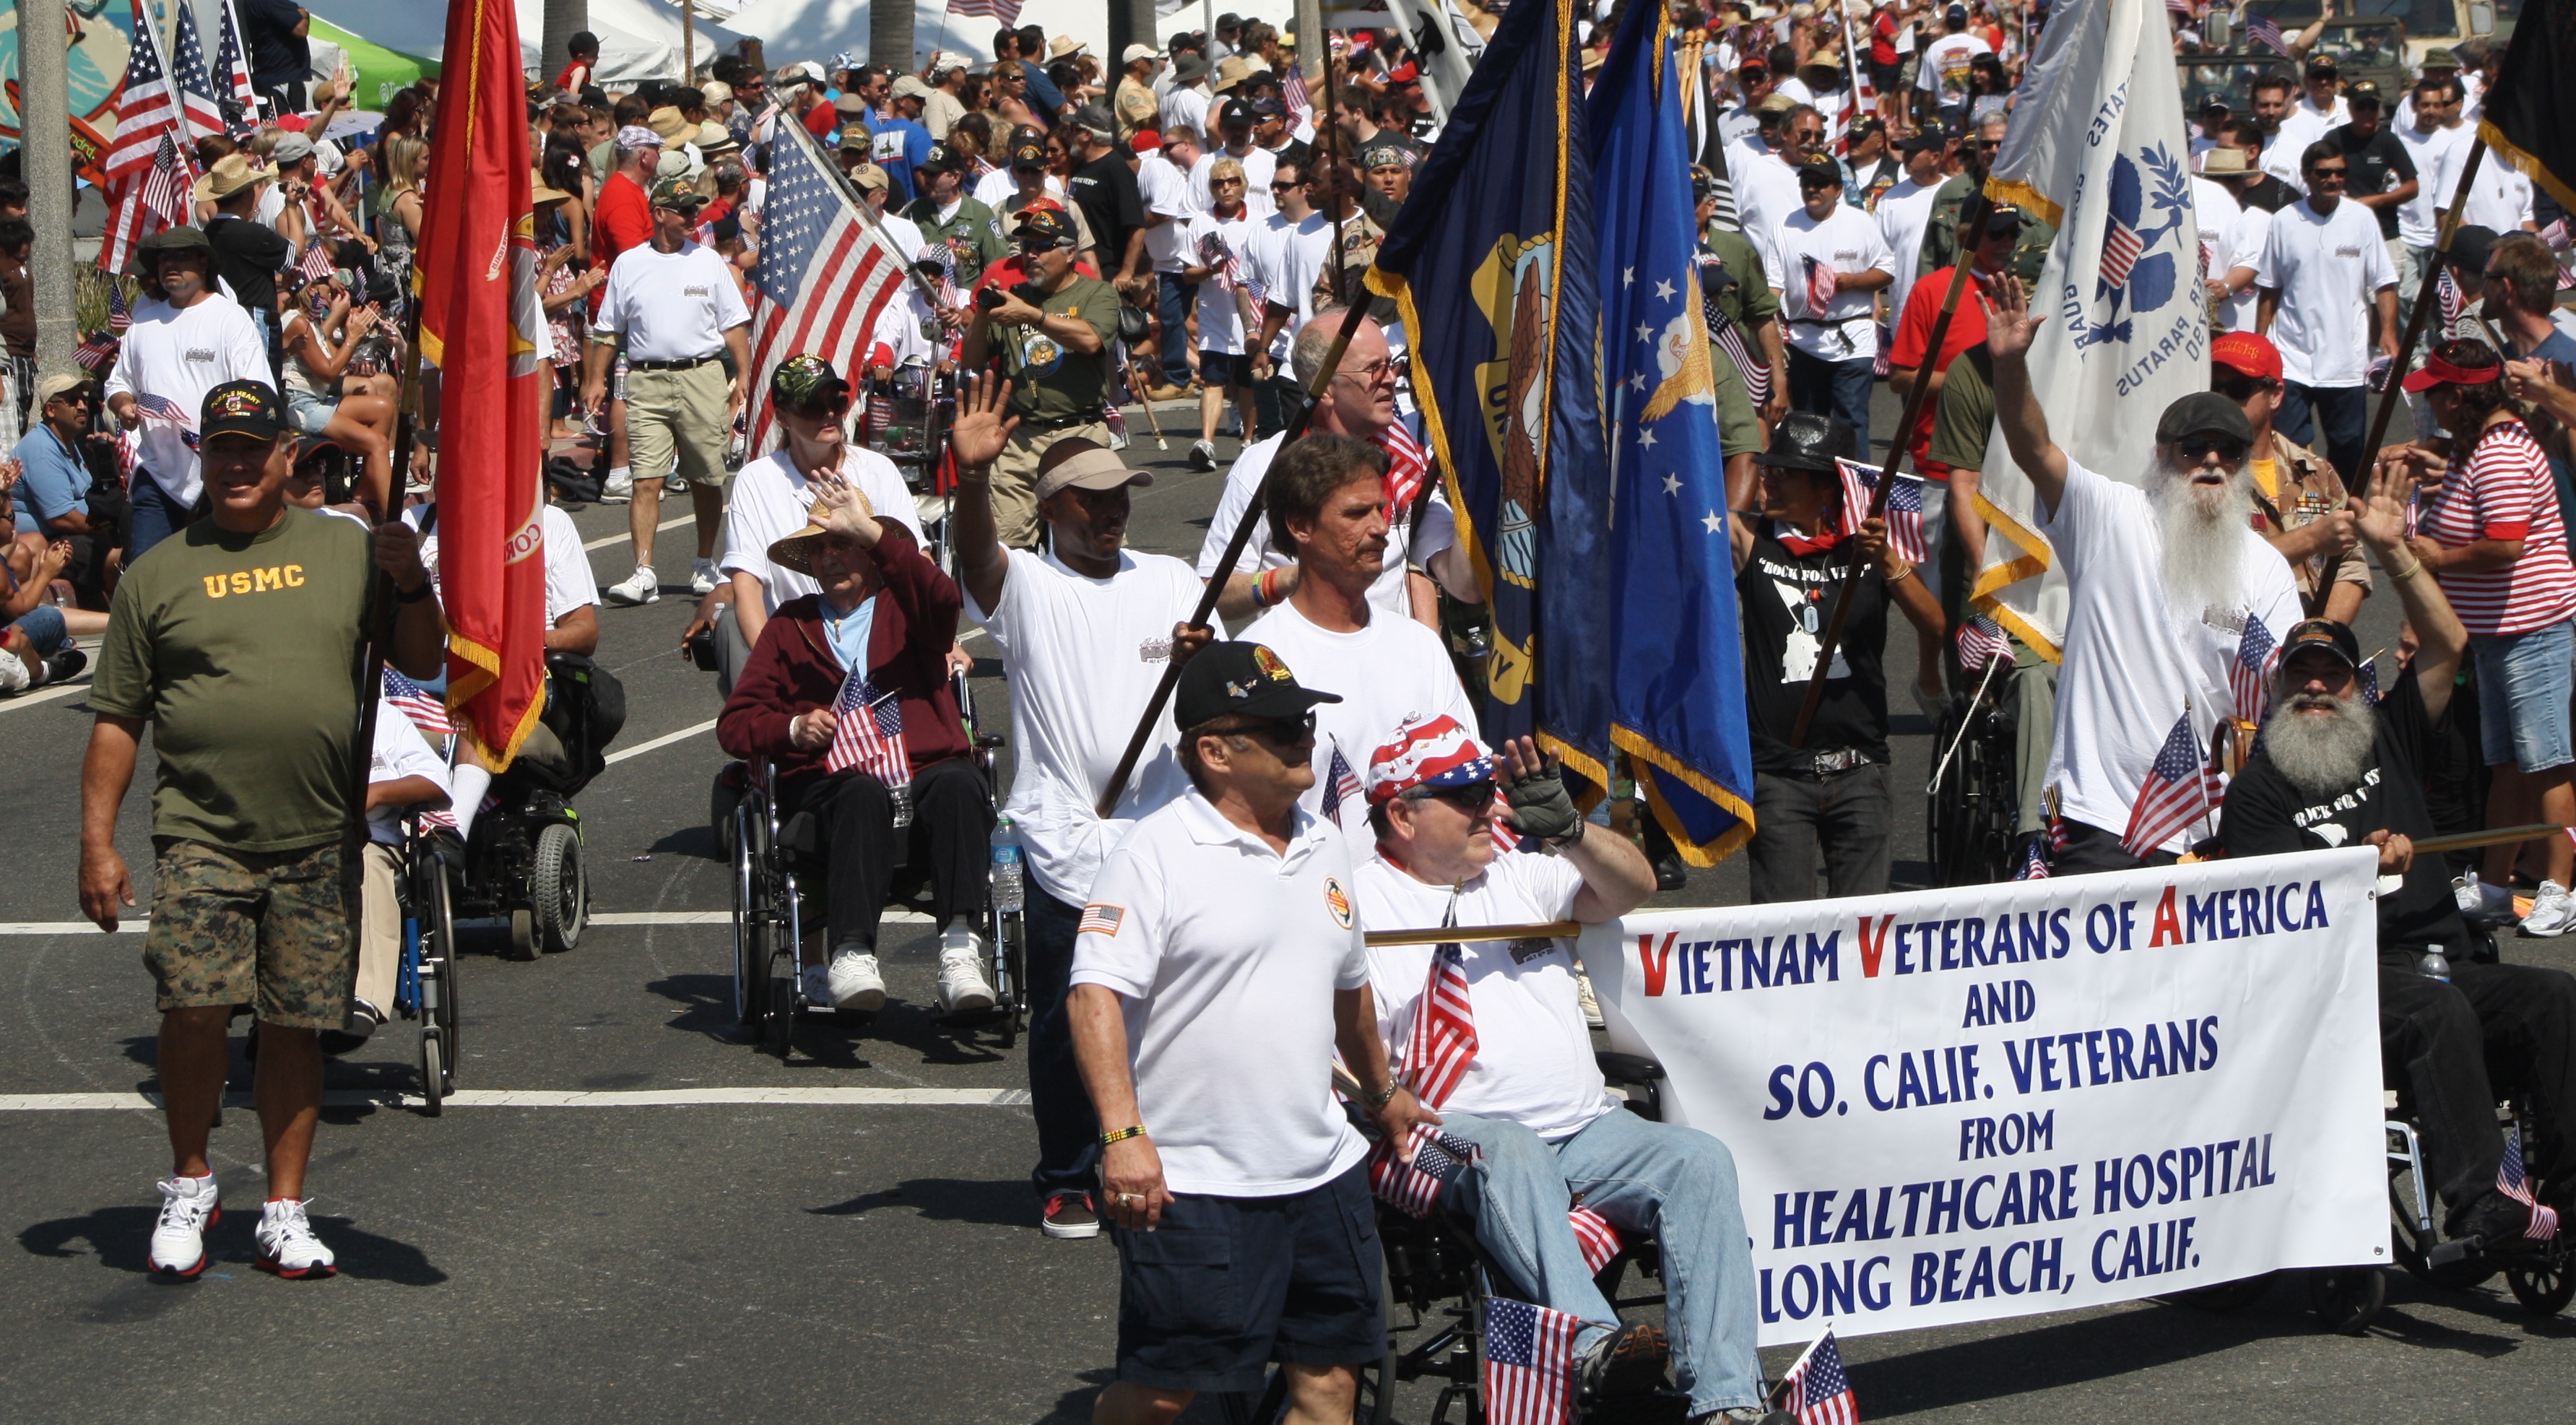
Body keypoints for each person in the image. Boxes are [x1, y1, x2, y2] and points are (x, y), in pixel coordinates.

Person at [80, 378, 444, 1281]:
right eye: (221, 448)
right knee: (193, 1006)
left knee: (294, 1023)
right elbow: (118, 718)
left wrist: (410, 579)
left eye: (254, 447)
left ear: (287, 454)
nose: (237, 463)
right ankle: (190, 1181)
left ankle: (284, 1209)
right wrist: (98, 843)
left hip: (319, 832)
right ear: (201, 457)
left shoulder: (347, 549)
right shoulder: (157, 573)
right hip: (200, 831)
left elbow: (423, 657)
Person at [1353, 716, 1771, 1418]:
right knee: (1508, 1148)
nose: (1489, 805)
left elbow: (1634, 886)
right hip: (1430, 1136)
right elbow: (1333, 1041)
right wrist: (1382, 1092)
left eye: (1488, 788)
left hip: (1582, 1129)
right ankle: (1593, 1349)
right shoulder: (1357, 904)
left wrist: (1573, 831)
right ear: (1402, 815)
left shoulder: (1518, 870)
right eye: (1466, 795)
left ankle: (1728, 1400)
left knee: (1699, 1159)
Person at [1069, 638, 1427, 1425]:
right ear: (1214, 751)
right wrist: (1122, 1134)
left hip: (1321, 1173)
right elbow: (1093, 997)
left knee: (1329, 1388)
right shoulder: (1152, 853)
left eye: (1305, 721)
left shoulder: (1325, 842)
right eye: (1281, 726)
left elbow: (1350, 990)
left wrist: (1384, 1091)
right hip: (1197, 1181)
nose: (1305, 738)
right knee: (1164, 1391)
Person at [2221, 567, 2576, 1247]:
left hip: (2443, 960)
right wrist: (2355, 865)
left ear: (2356, 685)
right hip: (2342, 982)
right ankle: (2479, 1203)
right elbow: (2273, 906)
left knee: (2553, 995)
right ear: (2277, 689)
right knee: (2436, 1012)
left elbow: (2446, 642)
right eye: (2301, 674)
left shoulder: (2390, 738)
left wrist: (2394, 552)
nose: (2316, 686)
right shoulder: (2257, 792)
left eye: (2333, 673)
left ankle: (2565, 1194)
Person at [947, 376, 1210, 1240]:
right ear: (1051, 507)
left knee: (1168, 1007)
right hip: (1063, 839)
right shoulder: (1027, 584)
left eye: (1119, 496)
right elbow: (977, 560)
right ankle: (1067, 1174)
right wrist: (973, 479)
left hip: (1163, 832)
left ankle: (1166, 1153)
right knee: (1070, 1016)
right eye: (1091, 500)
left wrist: (1200, 661)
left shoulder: (1171, 577)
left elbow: (1212, 684)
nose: (1111, 511)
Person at [1985, 275, 2302, 872]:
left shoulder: (2266, 568)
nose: (2211, 460)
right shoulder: (2109, 516)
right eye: (2194, 447)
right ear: (2162, 455)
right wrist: (2008, 366)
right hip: (2102, 816)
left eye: (2229, 452)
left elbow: (2283, 682)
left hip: (2211, 824)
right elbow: (2033, 447)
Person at [716, 479, 996, 1015]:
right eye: (820, 548)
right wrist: (792, 728)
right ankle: (851, 953)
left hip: (922, 771)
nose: (830, 557)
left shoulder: (907, 609)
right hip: (830, 787)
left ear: (869, 551)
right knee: (861, 792)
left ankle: (961, 952)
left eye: (843, 543)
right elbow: (736, 724)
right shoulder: (789, 625)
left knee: (961, 783)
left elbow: (945, 599)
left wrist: (872, 533)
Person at [2387, 340, 2576, 935]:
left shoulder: (2500, 454)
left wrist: (2439, 557)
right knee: (2507, 766)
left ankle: (2561, 888)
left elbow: (2506, 542)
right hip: (2498, 634)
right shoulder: (2482, 446)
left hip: (2531, 630)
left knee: (2547, 763)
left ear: (2459, 398)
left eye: (2435, 395)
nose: (2429, 406)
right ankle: (2494, 888)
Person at [1732, 414, 1943, 902]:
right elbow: (1689, 508)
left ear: (1828, 486)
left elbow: (1933, 625)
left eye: (1785, 473)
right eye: (1769, 470)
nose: (1769, 481)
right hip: (1779, 773)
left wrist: (1886, 560)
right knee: (1782, 927)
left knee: (1862, 929)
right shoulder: (1751, 538)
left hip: (1860, 771)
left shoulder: (1869, 547)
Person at [1240, 433, 1478, 836]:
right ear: (1300, 526)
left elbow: (1467, 773)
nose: (1380, 527)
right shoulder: (1258, 662)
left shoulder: (1420, 647)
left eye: (1381, 509)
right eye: (1356, 514)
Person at [1197, 311, 1468, 627]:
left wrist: (1472, 470)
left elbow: (1462, 583)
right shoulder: (1266, 465)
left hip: (1390, 653)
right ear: (1324, 386)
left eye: (1392, 364)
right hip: (1297, 656)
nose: (1391, 379)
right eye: (1373, 369)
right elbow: (1213, 593)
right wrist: (1294, 579)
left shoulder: (1404, 457)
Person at [584, 176, 752, 608]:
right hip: (646, 380)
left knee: (706, 477)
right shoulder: (629, 264)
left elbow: (734, 325)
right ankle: (644, 572)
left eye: (695, 209)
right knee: (646, 479)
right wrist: (596, 379)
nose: (693, 217)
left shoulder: (708, 262)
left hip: (702, 377)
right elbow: (608, 330)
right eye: (684, 210)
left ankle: (704, 563)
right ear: (659, 214)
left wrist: (744, 376)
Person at [104, 227, 270, 560]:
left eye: (181, 256)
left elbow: (257, 392)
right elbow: (117, 384)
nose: (170, 265)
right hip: (156, 476)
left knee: (220, 571)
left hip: (221, 475)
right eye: (163, 258)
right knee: (147, 573)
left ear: (204, 263)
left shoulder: (231, 319)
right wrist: (124, 405)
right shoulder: (142, 324)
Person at [960, 206, 1122, 549]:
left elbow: (1091, 340)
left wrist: (1031, 316)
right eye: (1026, 246)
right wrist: (982, 313)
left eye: (1044, 246)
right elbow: (971, 358)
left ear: (1070, 252)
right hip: (1022, 437)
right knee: (1008, 546)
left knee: (1096, 540)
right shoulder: (1015, 297)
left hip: (1080, 431)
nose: (1032, 254)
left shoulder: (1097, 293)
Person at [2255, 139, 2400, 492]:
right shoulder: (2284, 221)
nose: (2333, 180)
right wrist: (2260, 342)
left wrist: (2389, 333)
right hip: (2292, 357)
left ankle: (2345, 512)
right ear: (2307, 176)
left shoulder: (2361, 219)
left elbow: (2383, 282)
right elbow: (2270, 288)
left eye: (2339, 172)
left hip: (2345, 360)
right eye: (2324, 173)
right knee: (2288, 444)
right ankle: (2299, 510)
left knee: (2348, 448)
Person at [2211, 331, 2369, 625]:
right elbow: (2217, 570)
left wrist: (2319, 637)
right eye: (2213, 386)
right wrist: (2313, 538)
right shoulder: (2201, 476)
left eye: (2238, 388)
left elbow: (2349, 565)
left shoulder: (2315, 471)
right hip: (2239, 642)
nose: (2222, 398)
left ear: (2275, 395)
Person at [1765, 160, 1894, 454]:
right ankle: (1817, 483)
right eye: (1806, 183)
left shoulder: (1860, 222)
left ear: (1837, 189)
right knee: (1809, 427)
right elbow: (1773, 286)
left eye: (1820, 183)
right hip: (1805, 340)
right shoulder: (1784, 227)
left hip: (1854, 337)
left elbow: (1887, 271)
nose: (1812, 189)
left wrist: (1852, 281)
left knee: (1852, 422)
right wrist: (1763, 318)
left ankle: (1855, 482)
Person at [12, 372, 119, 610]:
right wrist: (108, 528)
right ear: (50, 410)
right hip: (52, 539)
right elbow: (62, 518)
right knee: (114, 554)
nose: (82, 406)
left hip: (69, 533)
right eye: (72, 401)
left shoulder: (68, 443)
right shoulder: (41, 448)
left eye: (84, 400)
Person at [1180, 158, 1260, 469]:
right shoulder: (1201, 222)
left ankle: (1248, 442)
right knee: (1212, 380)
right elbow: (1188, 274)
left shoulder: (1260, 221)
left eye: (1232, 181)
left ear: (1243, 185)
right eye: (1219, 183)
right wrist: (1211, 270)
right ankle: (1207, 443)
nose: (1226, 188)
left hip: (1250, 317)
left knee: (1247, 383)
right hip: (1215, 316)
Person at [1137, 126, 1207, 398]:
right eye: (1163, 148)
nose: (1166, 153)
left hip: (1190, 255)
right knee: (1170, 316)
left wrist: (1131, 226)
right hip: (1167, 259)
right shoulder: (1142, 174)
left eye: (1169, 147)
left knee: (1211, 315)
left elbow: (1164, 212)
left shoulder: (1157, 167)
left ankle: (1225, 377)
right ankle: (1179, 380)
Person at [1065, 104, 1150, 295]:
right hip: (1081, 266)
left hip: (1109, 272)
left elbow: (1137, 226)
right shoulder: (1080, 167)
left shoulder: (1117, 169)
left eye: (1073, 129)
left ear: (1088, 134)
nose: (1069, 135)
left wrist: (1126, 272)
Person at [1913, 4, 1989, 125]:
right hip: (1977, 107)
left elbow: (1927, 90)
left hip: (1948, 110)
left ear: (1946, 23)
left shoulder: (1935, 48)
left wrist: (1927, 116)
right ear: (1967, 22)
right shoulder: (1981, 45)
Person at [237, 0, 311, 116]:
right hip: (281, 80)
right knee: (290, 125)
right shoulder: (271, 2)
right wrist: (305, 13)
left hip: (275, 79)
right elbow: (300, 29)